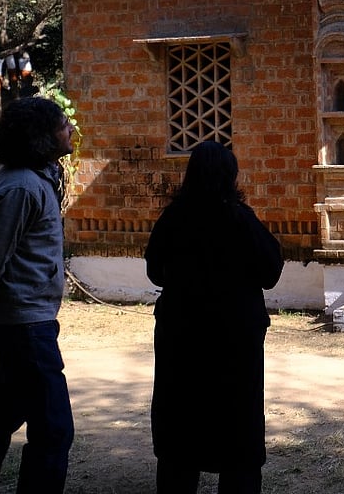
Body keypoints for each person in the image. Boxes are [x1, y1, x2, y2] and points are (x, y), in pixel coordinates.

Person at [0, 96, 76, 494]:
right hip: (25, 327)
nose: (71, 129)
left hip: (25, 323)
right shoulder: (21, 186)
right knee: (53, 430)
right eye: (63, 124)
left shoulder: (34, 178)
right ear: (41, 136)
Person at [145, 141, 284, 494]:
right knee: (237, 426)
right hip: (234, 339)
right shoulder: (240, 219)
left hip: (181, 336)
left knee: (180, 423)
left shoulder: (173, 218)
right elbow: (271, 271)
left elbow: (155, 271)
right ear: (230, 176)